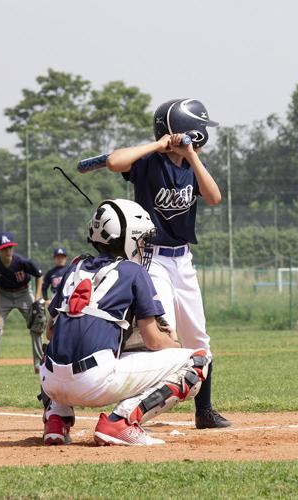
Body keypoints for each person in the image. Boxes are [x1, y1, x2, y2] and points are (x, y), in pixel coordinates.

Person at [40, 199, 209, 446]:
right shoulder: (133, 271)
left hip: (51, 382)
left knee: (56, 349)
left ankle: (56, 419)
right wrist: (175, 345)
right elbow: (153, 341)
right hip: (93, 381)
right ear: (129, 238)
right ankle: (121, 422)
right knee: (197, 361)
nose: (143, 246)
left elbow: (50, 332)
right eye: (141, 239)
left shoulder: (75, 266)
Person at [105, 98, 230, 429]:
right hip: (152, 258)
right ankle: (136, 410)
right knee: (162, 335)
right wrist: (158, 145)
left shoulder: (191, 165)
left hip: (183, 260)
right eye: (199, 127)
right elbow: (115, 161)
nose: (203, 134)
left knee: (198, 339)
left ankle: (204, 411)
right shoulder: (149, 163)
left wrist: (191, 155)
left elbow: (215, 196)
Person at [0, 231, 44, 378]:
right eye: (4, 248)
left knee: (37, 324)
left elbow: (39, 275)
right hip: (3, 294)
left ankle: (39, 365)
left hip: (24, 293)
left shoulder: (22, 261)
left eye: (10, 247)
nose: (8, 251)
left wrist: (37, 298)